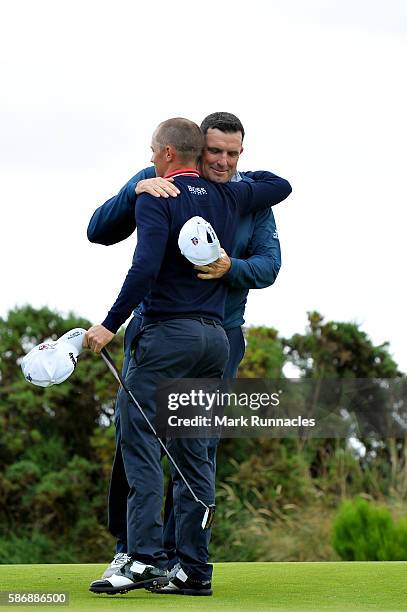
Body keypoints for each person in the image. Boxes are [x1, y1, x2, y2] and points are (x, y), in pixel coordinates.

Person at [85, 117, 292, 596]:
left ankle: (156, 558)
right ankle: (173, 563)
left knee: (178, 447)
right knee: (163, 447)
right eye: (212, 152)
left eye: (232, 155)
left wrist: (230, 267)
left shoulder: (243, 195)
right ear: (195, 150)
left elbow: (269, 263)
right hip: (198, 337)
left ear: (241, 155)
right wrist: (140, 186)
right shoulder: (161, 184)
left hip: (208, 334)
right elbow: (99, 229)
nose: (221, 162)